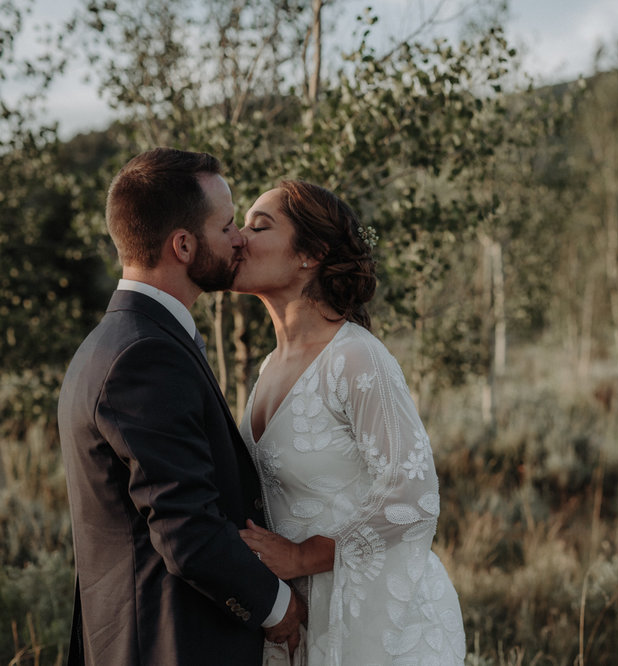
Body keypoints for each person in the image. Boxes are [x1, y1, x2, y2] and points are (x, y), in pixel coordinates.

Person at [57, 147, 307, 665]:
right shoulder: (144, 355)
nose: (239, 239)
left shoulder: (119, 340)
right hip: (168, 644)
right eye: (228, 226)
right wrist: (276, 606)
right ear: (184, 245)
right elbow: (184, 528)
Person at [231, 180, 466, 665]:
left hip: (386, 624)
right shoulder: (269, 368)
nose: (239, 236)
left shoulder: (356, 356)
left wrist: (299, 558)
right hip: (304, 618)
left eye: (260, 226)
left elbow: (413, 496)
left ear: (309, 255)